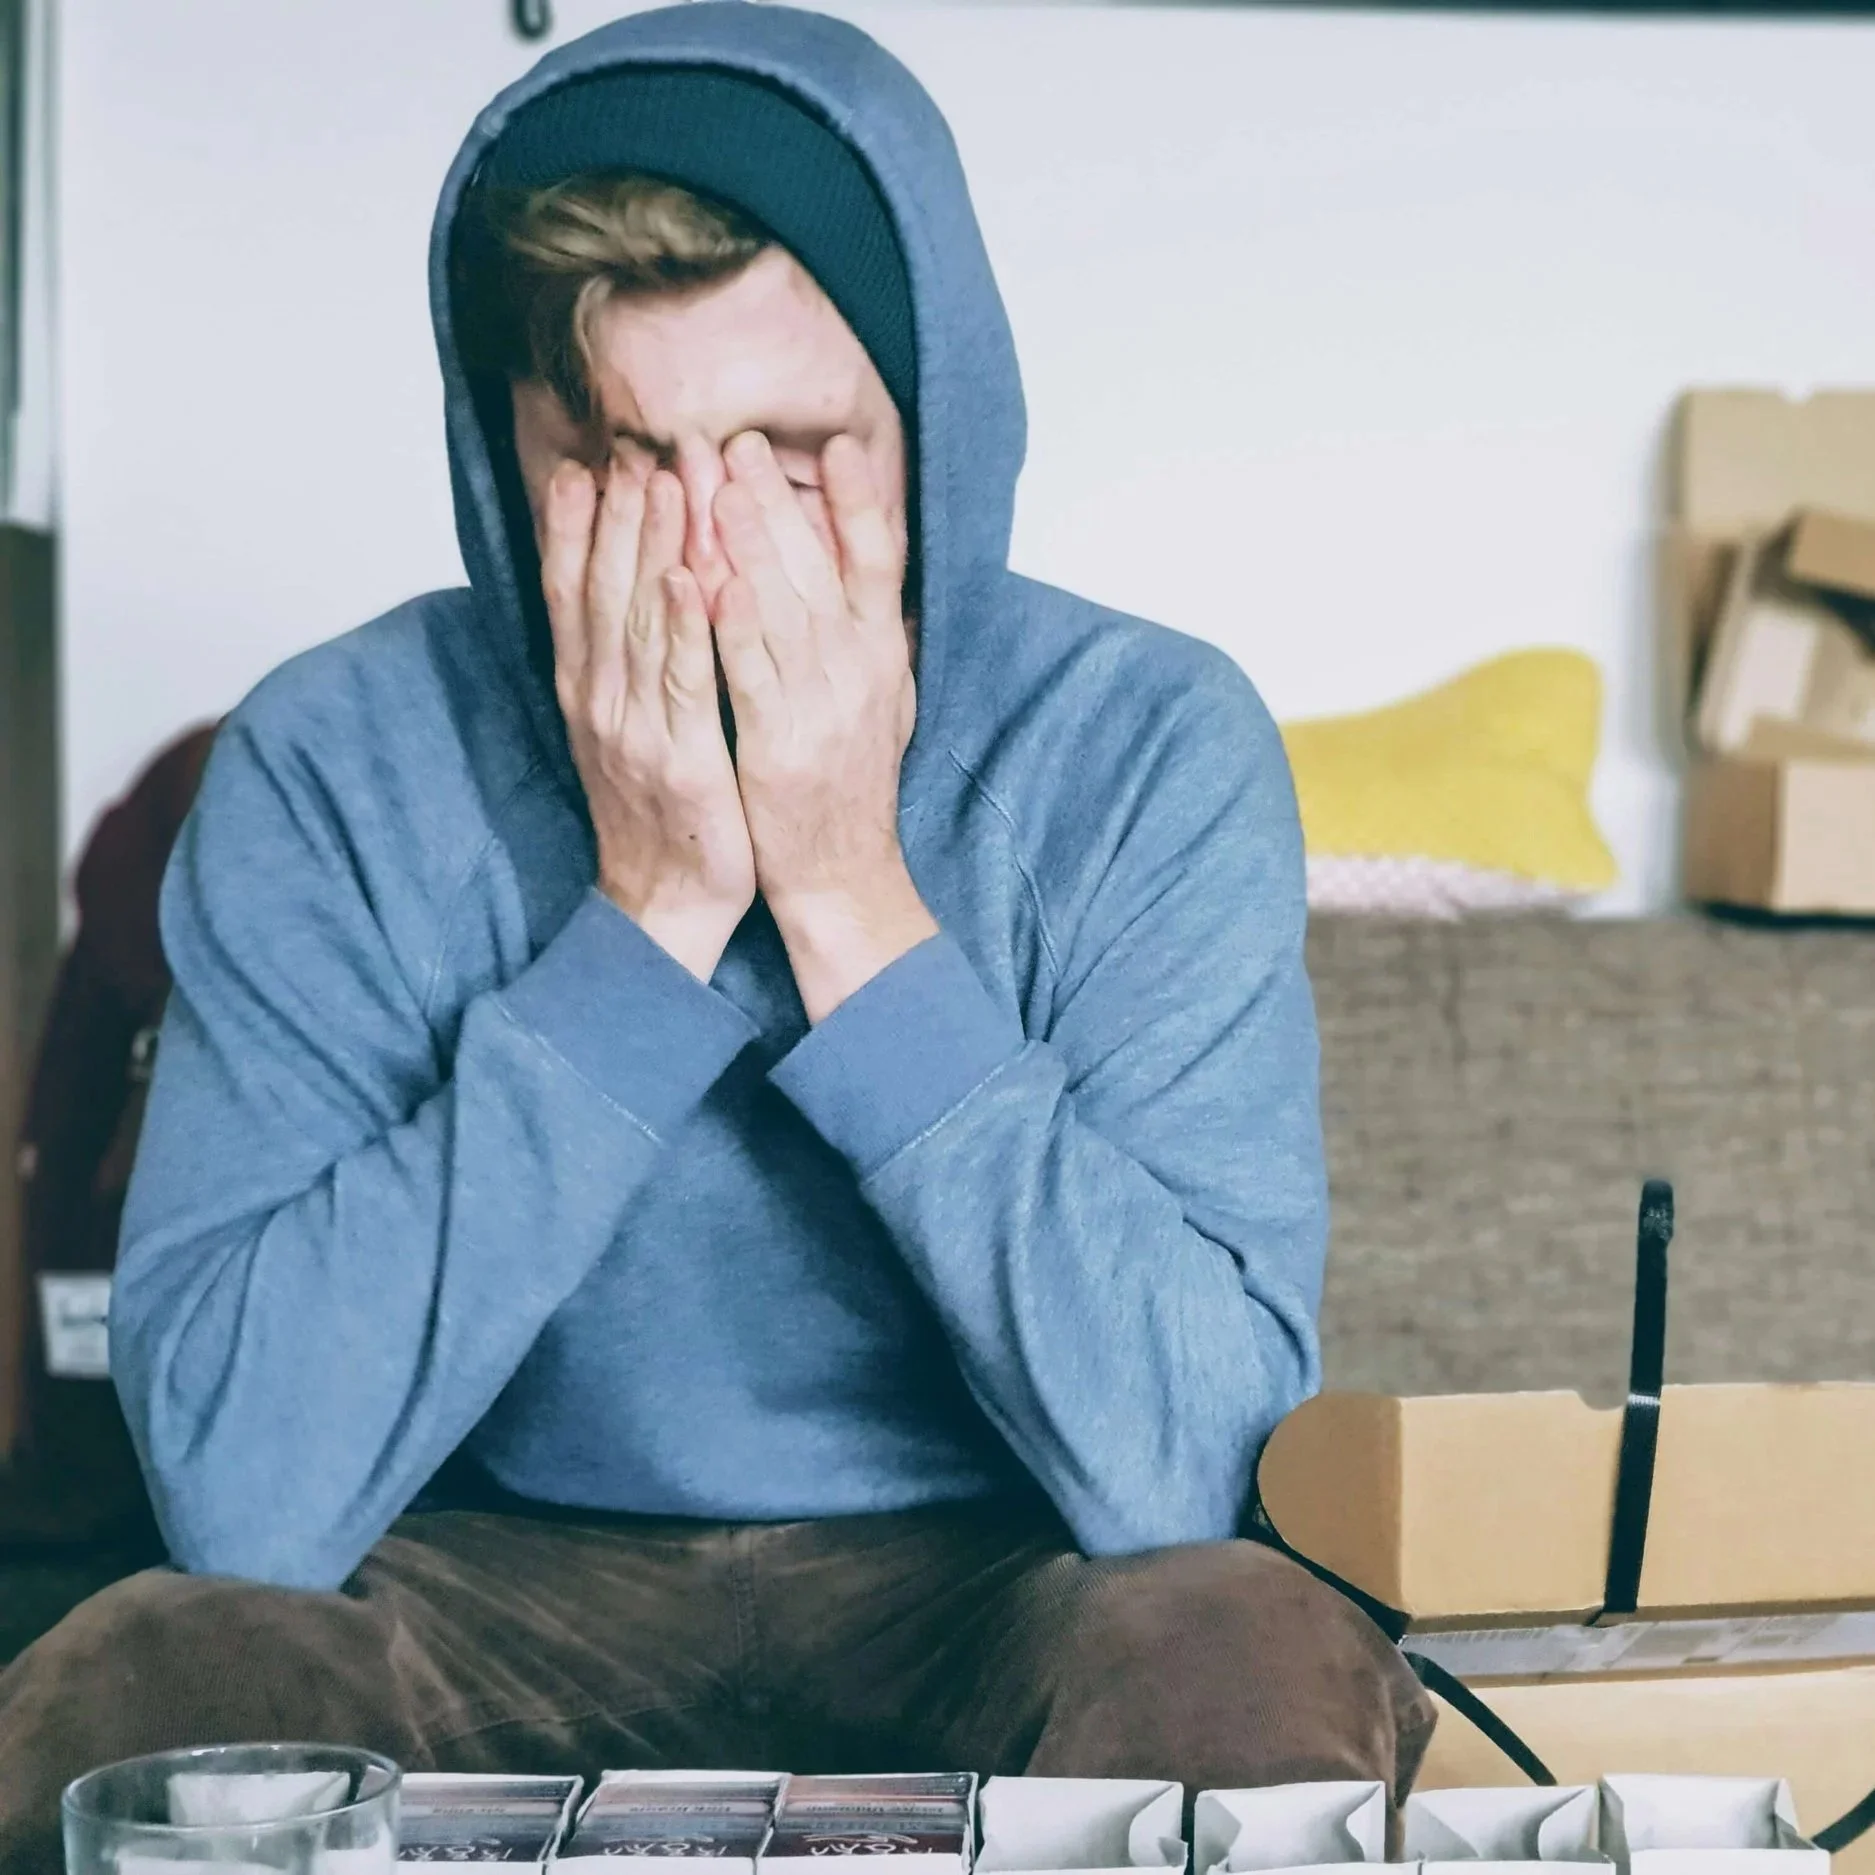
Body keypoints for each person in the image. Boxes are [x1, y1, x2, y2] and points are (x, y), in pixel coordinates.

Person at [0, 6, 1433, 1867]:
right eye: (612, 452)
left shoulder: (1144, 742)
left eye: (791, 450)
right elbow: (245, 1498)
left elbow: (1188, 1474)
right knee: (151, 1679)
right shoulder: (332, 758)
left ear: (934, 418)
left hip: (1004, 1568)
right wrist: (652, 911)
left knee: (1232, 1643)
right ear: (500, 450)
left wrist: (847, 896)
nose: (701, 555)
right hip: (489, 1572)